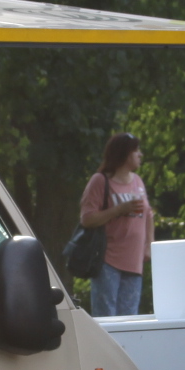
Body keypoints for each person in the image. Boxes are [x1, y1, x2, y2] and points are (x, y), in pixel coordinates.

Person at [79, 133, 152, 316]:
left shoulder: (137, 181)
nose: (140, 154)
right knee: (107, 318)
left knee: (129, 319)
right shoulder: (100, 181)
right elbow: (87, 219)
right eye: (136, 151)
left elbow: (149, 215)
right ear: (124, 154)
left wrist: (149, 245)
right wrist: (120, 209)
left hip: (134, 261)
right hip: (107, 260)